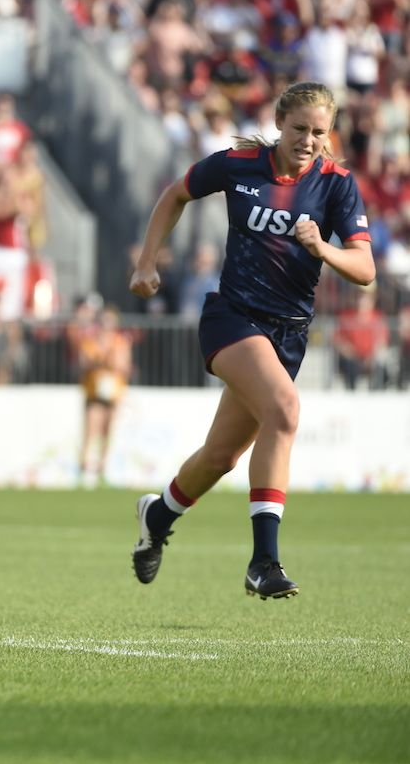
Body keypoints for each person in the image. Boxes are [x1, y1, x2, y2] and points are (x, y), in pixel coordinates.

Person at [129, 81, 375, 600]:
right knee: (284, 410)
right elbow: (176, 193)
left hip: (288, 334)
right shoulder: (239, 164)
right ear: (280, 122)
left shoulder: (336, 184)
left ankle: (158, 514)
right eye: (300, 128)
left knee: (220, 456)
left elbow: (365, 268)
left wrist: (323, 249)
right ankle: (264, 562)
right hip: (233, 318)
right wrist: (147, 261)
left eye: (319, 132)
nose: (308, 140)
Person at [74, 304, 132, 485]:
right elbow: (84, 363)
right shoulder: (89, 342)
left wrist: (108, 361)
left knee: (108, 431)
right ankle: (84, 468)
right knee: (91, 430)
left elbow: (123, 366)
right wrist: (101, 361)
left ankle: (103, 468)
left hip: (113, 393)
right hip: (94, 392)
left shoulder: (120, 342)